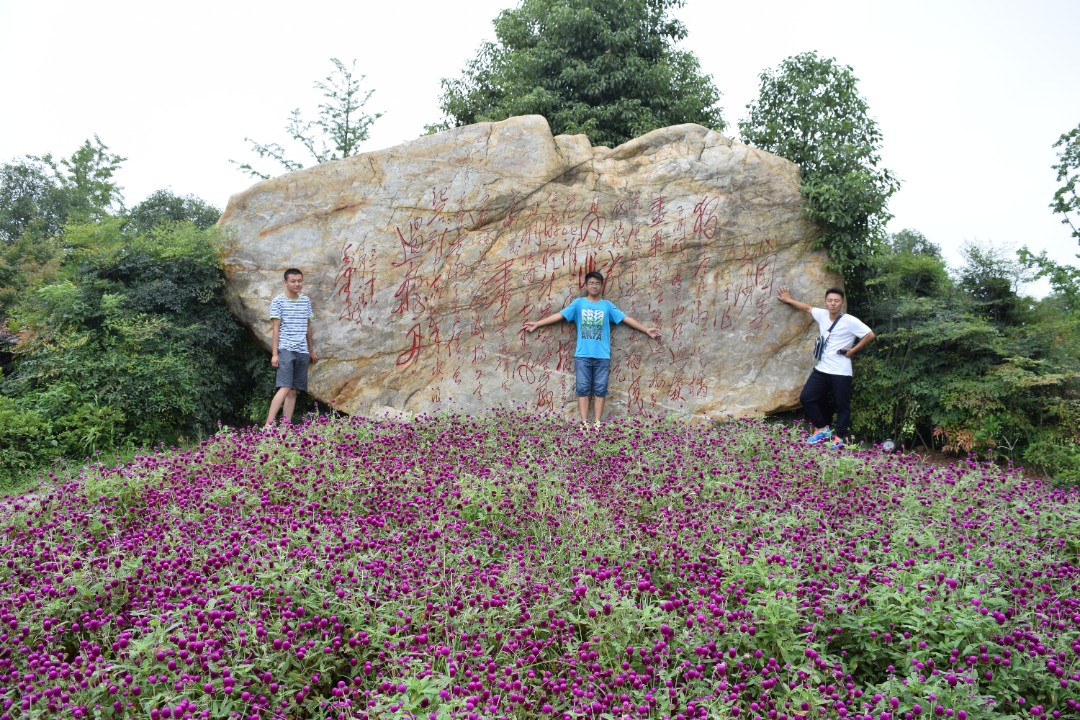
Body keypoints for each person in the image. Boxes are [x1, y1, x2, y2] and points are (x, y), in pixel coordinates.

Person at [524, 271, 660, 425]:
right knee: (582, 389)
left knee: (600, 390)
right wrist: (537, 324)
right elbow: (560, 315)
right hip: (583, 355)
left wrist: (646, 330)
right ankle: (584, 423)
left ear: (601, 286)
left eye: (597, 283)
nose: (594, 286)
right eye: (591, 283)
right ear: (586, 285)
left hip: (602, 355)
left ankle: (597, 424)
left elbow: (625, 318)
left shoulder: (607, 306)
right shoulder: (578, 304)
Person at [777, 285, 875, 448]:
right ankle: (822, 428)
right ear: (825, 302)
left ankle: (840, 437)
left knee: (842, 405)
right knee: (807, 397)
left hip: (841, 371)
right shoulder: (822, 314)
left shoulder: (850, 320)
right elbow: (807, 308)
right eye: (830, 300)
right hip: (822, 368)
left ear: (841, 302)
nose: (833, 304)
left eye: (836, 301)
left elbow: (870, 335)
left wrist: (853, 351)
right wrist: (788, 300)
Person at [265, 268, 318, 427]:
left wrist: (311, 350)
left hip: (302, 350)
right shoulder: (278, 301)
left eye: (299, 281)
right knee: (285, 386)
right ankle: (268, 426)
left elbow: (308, 326)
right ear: (285, 282)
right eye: (293, 281)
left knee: (293, 390)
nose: (297, 284)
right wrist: (275, 354)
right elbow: (276, 328)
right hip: (286, 349)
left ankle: (285, 427)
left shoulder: (305, 301)